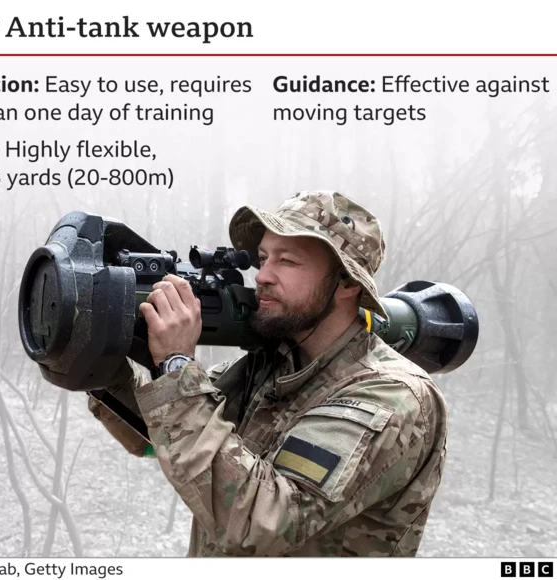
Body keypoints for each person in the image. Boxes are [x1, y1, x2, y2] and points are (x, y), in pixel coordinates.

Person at [87, 190, 448, 557]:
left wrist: (177, 366)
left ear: (347, 283)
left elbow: (266, 521)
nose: (262, 276)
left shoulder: (390, 396)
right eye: (262, 258)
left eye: (287, 261)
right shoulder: (272, 366)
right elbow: (160, 437)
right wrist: (98, 365)